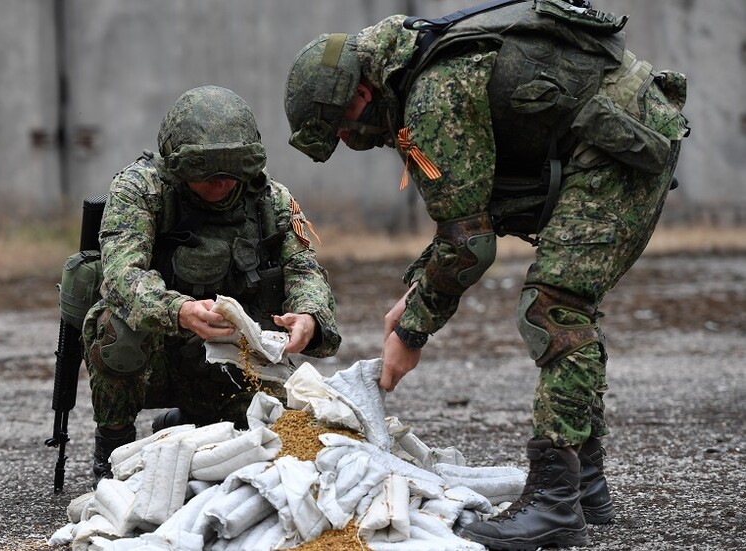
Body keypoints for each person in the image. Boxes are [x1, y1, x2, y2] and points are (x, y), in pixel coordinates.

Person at [283, 1, 689, 549]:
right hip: (614, 132)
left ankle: (555, 503)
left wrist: (412, 333)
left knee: (554, 308)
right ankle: (584, 486)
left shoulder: (433, 94)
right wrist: (418, 290)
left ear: (360, 93)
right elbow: (465, 220)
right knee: (565, 306)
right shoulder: (415, 64)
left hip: (619, 145)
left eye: (345, 129)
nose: (357, 139)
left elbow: (469, 247)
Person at [84, 85, 341, 488]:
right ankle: (114, 448)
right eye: (206, 174)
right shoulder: (141, 190)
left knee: (279, 440)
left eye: (231, 173)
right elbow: (121, 276)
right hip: (156, 358)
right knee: (115, 329)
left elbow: (304, 269)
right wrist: (180, 311)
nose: (221, 184)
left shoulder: (271, 200)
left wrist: (308, 315)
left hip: (234, 360)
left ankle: (190, 422)